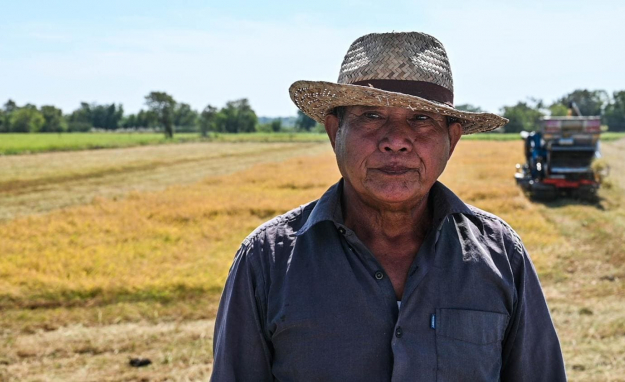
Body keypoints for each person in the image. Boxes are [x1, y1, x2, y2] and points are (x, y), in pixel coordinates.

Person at [211, 31, 566, 381]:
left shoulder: (501, 255)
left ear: (451, 140)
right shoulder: (266, 260)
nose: (396, 141)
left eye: (421, 119)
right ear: (335, 132)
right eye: (371, 116)